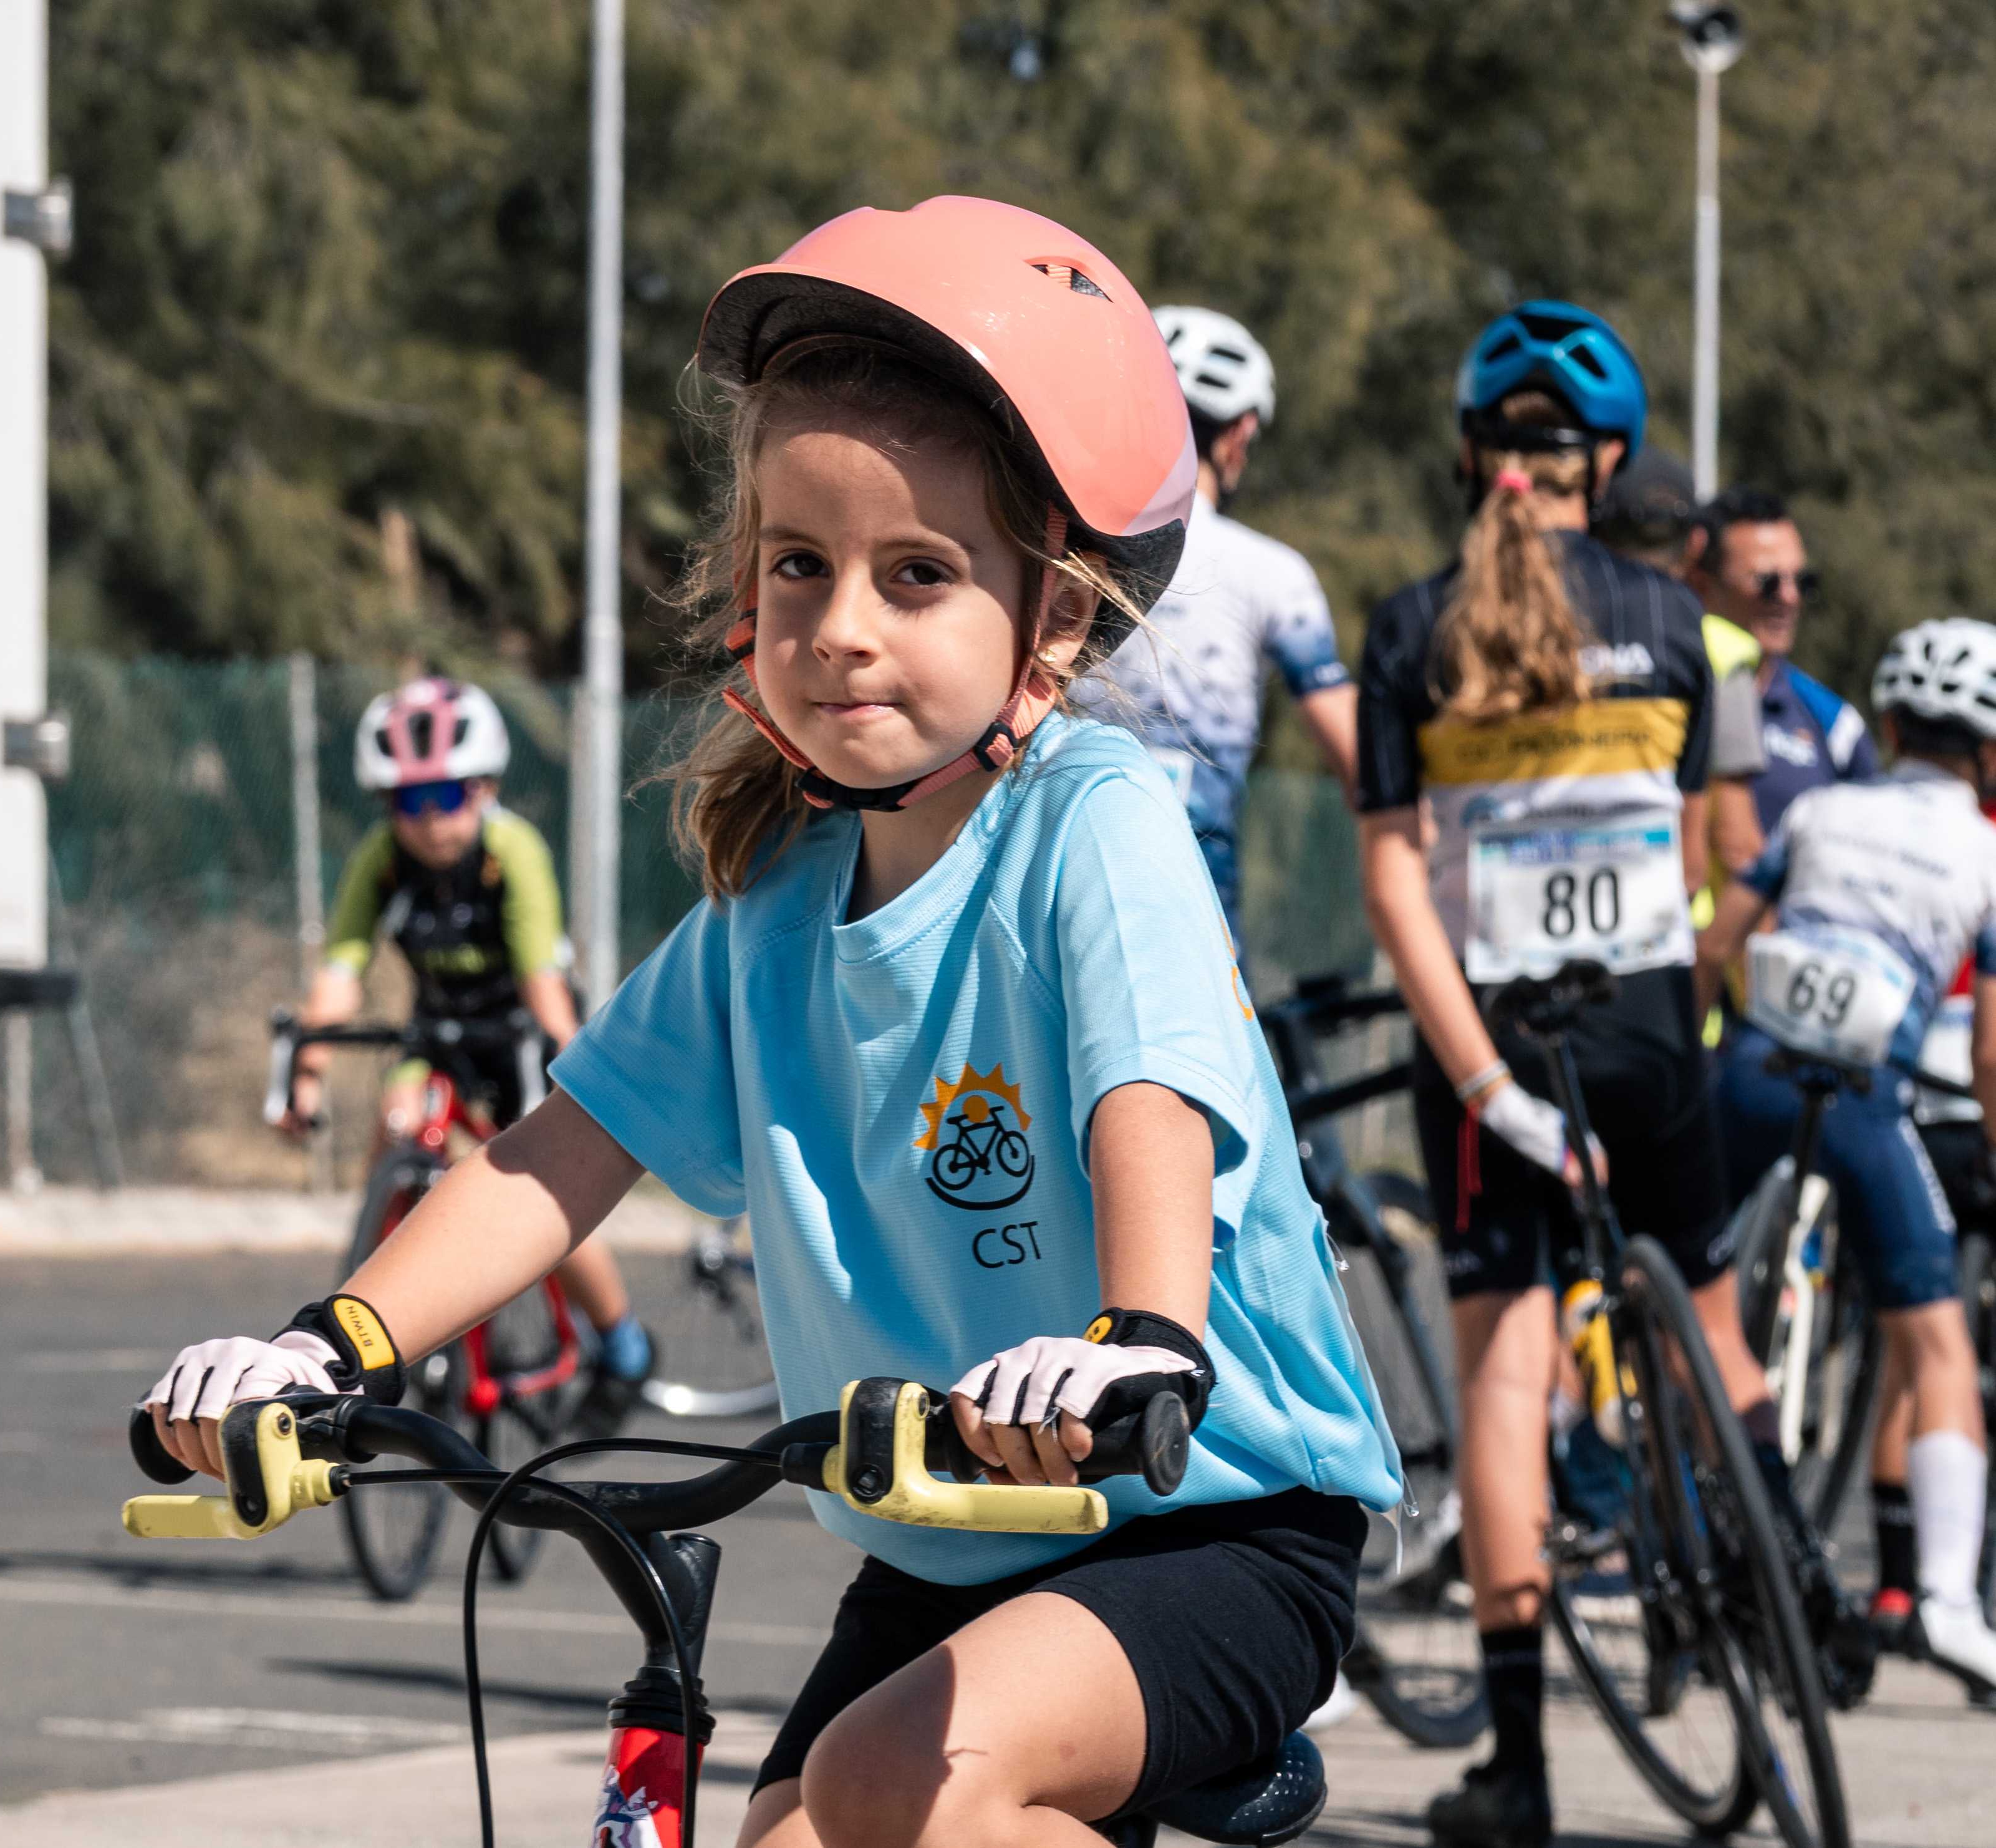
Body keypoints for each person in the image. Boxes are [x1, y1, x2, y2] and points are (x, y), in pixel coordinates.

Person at [147, 196, 1401, 1848]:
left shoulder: (1092, 816)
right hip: (945, 1533)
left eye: (917, 574)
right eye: (797, 564)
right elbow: (557, 1149)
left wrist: (1139, 1342)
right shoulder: (770, 902)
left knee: (897, 1787)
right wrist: (330, 1343)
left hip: (1199, 1514)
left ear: (1054, 625)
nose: (842, 626)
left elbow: (1150, 1099)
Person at [1354, 301, 1865, 1848]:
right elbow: (1715, 860)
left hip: (1497, 1055)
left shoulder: (1409, 629)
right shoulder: (1683, 628)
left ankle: (1517, 1767)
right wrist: (1687, 1003)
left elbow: (1394, 885)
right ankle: (1791, 1582)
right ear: (1612, 462)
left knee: (1509, 1377)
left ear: (1471, 455)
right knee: (1715, 1322)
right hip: (1652, 1029)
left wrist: (1484, 1083)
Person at [1698, 617, 1996, 1698]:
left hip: (1751, 1074)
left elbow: (1717, 943)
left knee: (1698, 1301)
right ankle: (1952, 1604)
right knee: (1938, 1345)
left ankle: (1685, 1522)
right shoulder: (1987, 849)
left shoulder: (1821, 808)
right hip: (1867, 1098)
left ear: (1899, 722)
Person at [284, 676, 654, 1426]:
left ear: (482, 788)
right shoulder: (381, 860)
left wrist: (567, 1067)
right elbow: (339, 973)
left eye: (444, 796)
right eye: (404, 801)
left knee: (545, 1183)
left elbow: (540, 977)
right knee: (395, 1126)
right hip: (438, 1030)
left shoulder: (511, 850)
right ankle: (379, 1311)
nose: (425, 821)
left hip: (523, 1027)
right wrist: (306, 1069)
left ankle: (622, 1343)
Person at [1082, 307, 1354, 939]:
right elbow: (1353, 752)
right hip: (1188, 874)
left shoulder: (1062, 544)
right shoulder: (1270, 570)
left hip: (1042, 852)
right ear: (1237, 436)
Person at [1596, 447, 1769, 889]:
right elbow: (1734, 839)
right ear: (1695, 542)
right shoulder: (1720, 649)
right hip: (1671, 925)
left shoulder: (1541, 630)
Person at [1689, 486, 1878, 838]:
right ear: (1702, 585)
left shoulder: (1834, 724)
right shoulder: (1663, 694)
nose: (1789, 598)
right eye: (1768, 582)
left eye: (1803, 581)